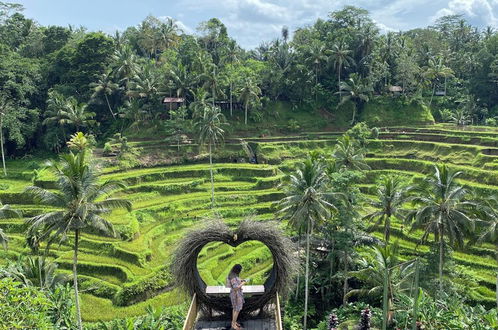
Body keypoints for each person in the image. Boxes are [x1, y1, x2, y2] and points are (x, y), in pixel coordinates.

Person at [227, 264, 246, 330]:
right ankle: (233, 325)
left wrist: (241, 280)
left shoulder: (233, 274)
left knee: (234, 308)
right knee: (237, 309)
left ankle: (234, 322)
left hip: (234, 294)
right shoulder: (233, 277)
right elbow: (235, 288)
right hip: (236, 295)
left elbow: (236, 282)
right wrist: (243, 283)